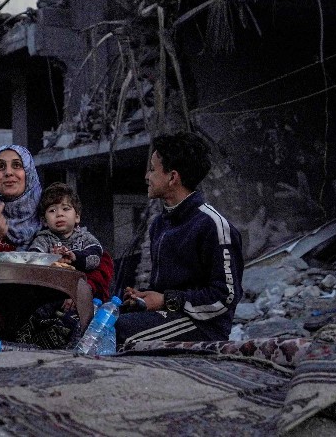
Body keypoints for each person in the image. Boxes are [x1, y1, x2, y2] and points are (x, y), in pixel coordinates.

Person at [117, 130, 243, 349]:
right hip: (170, 316)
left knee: (117, 332)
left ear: (173, 177)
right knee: (100, 318)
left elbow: (225, 297)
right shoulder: (159, 224)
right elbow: (162, 291)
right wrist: (144, 298)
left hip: (203, 326)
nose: (147, 176)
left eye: (152, 169)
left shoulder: (212, 225)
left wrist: (166, 300)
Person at [17, 182, 113, 349]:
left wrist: (74, 257)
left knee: (84, 318)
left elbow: (95, 258)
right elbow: (34, 258)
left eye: (65, 209)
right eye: (52, 211)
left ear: (77, 217)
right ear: (44, 221)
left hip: (79, 295)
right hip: (51, 295)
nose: (59, 214)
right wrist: (51, 259)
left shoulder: (85, 238)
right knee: (34, 313)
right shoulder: (44, 238)